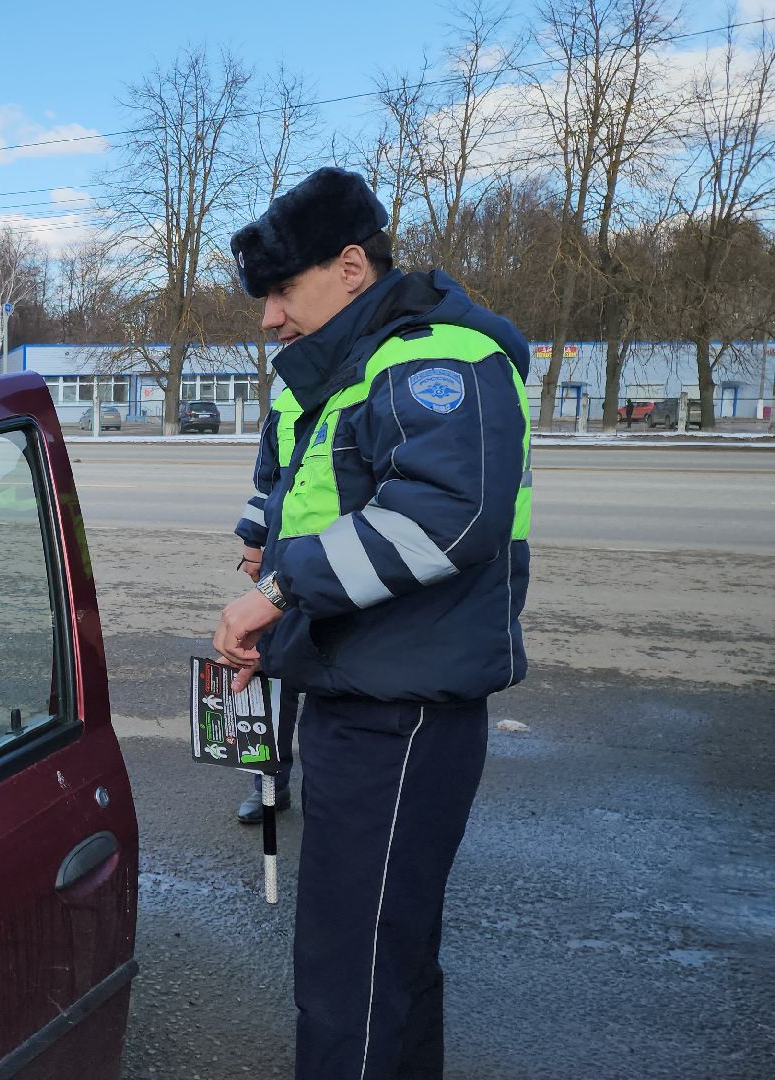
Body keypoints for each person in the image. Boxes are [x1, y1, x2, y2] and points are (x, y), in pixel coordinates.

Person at [213, 167, 532, 1079]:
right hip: (364, 686)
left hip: (400, 711)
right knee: (385, 957)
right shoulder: (343, 365)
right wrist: (276, 593)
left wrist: (275, 592)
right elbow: (305, 490)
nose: (269, 316)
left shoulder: (434, 358)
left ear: (351, 266)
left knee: (351, 971)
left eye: (282, 290)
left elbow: (446, 517)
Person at [233, 387, 301, 825]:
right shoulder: (288, 402)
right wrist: (254, 547)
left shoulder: (376, 380)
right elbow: (267, 485)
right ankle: (270, 787)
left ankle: (340, 792)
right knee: (272, 677)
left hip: (360, 568)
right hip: (286, 568)